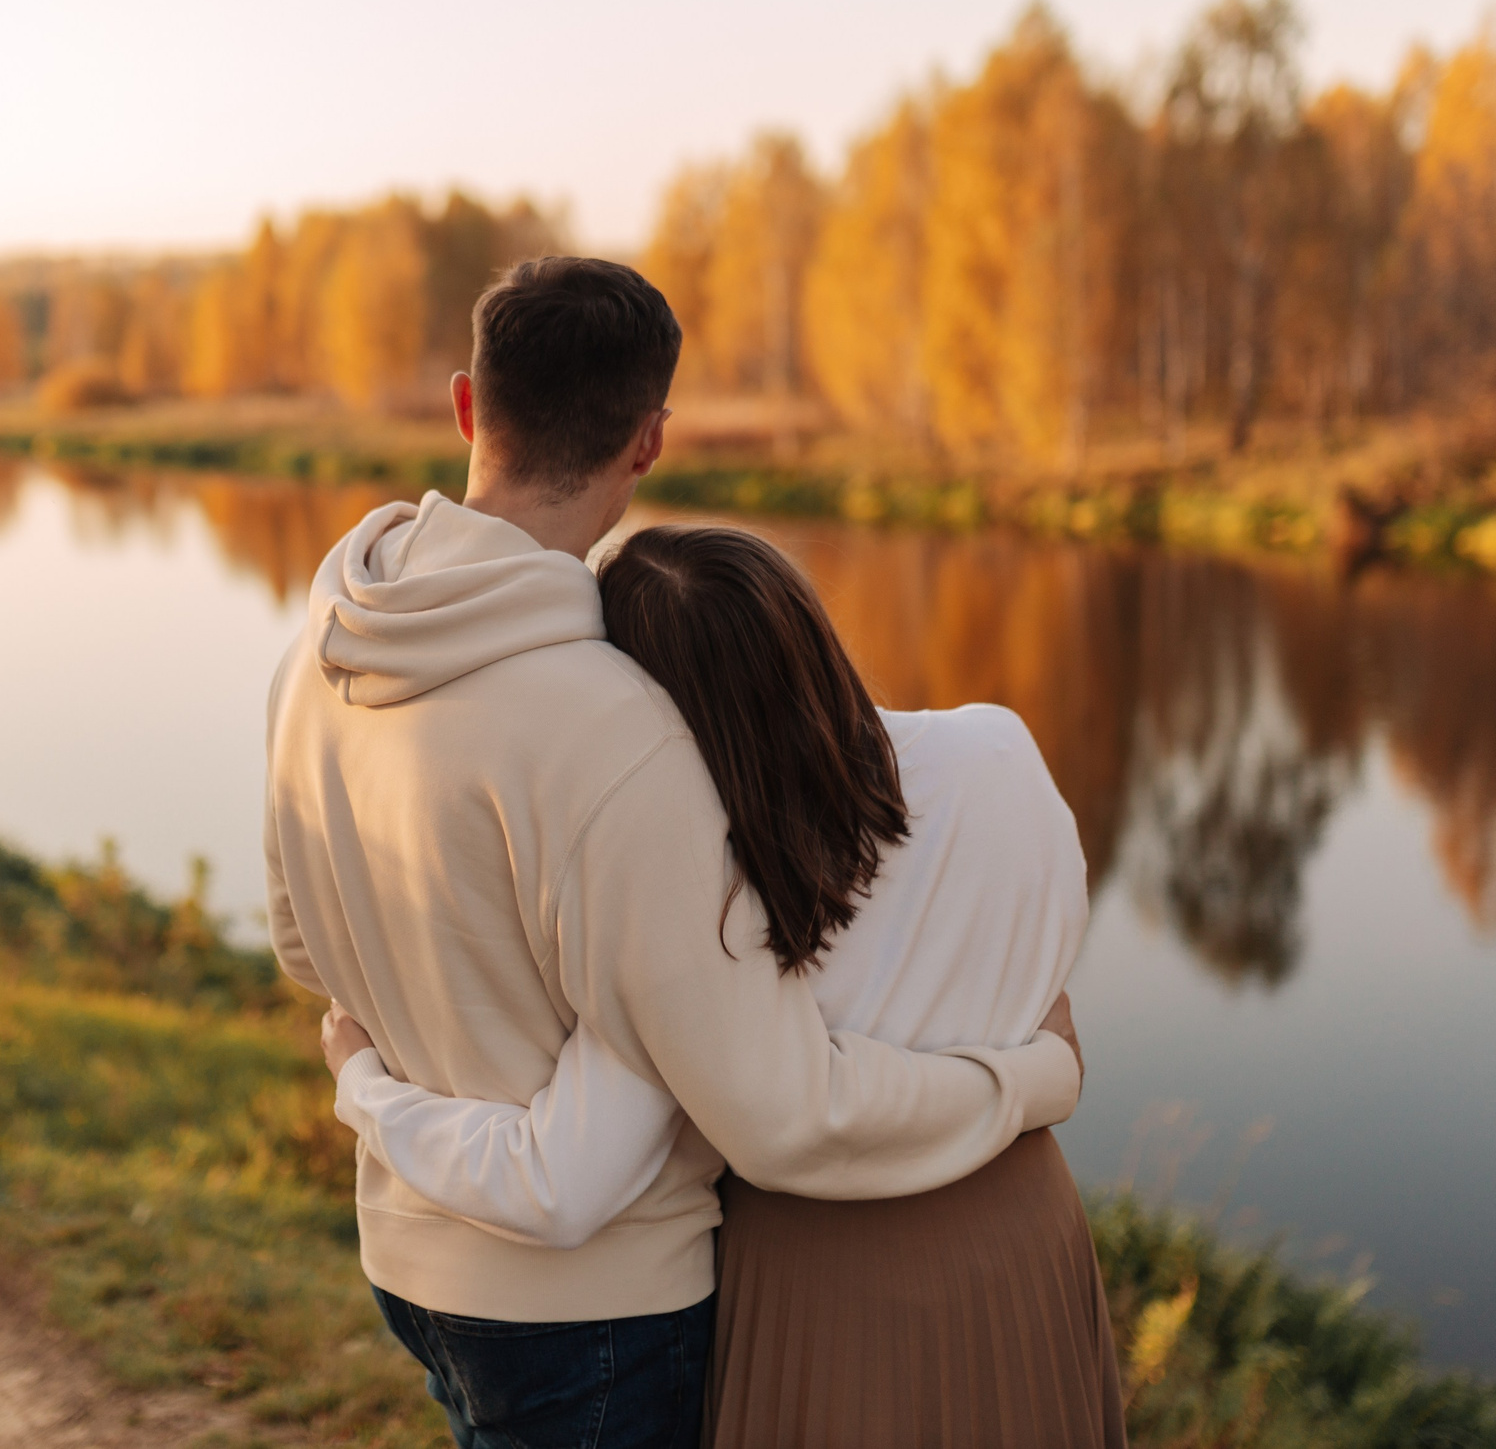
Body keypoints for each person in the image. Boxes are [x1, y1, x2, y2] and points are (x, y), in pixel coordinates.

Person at [263, 256, 1084, 1449]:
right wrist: (1028, 1078)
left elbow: (304, 951)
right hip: (596, 1309)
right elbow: (784, 1118)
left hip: (409, 1262)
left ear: (464, 406)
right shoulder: (618, 730)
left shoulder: (319, 651)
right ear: (649, 441)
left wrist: (397, 1072)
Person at [329, 525, 1124, 1448]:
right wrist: (1035, 1073)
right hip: (1028, 1231)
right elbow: (1051, 980)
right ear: (810, 626)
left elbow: (558, 1177)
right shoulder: (1003, 750)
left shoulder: (704, 905)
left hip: (829, 1290)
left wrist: (366, 1088)